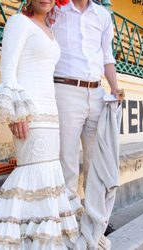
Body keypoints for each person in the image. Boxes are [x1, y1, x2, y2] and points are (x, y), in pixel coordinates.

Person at [0, 0, 83, 248]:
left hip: (51, 112)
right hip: (30, 111)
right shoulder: (19, 22)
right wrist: (16, 113)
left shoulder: (50, 30)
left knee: (50, 171)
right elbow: (8, 68)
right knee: (33, 172)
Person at [52, 0, 123, 234]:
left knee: (96, 159)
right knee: (67, 158)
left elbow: (106, 56)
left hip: (97, 93)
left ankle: (96, 218)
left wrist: (114, 87)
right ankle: (69, 218)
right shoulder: (55, 8)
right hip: (65, 89)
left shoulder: (102, 15)